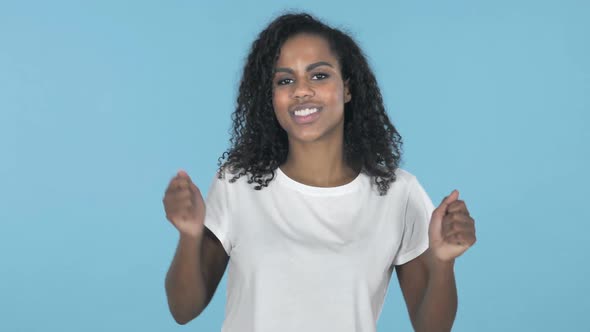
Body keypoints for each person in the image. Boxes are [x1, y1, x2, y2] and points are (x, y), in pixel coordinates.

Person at [162, 12, 476, 332]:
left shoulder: (398, 193)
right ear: (270, 98)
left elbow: (431, 328)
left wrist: (443, 261)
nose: (301, 91)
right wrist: (189, 235)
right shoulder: (237, 183)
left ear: (348, 88)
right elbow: (183, 309)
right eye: (285, 80)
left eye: (319, 76)